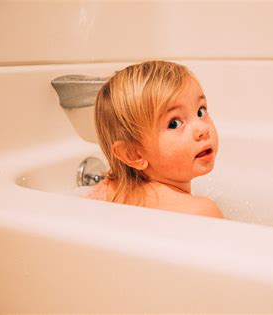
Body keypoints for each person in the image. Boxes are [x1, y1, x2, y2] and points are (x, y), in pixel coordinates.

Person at [87, 60, 223, 219]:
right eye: (174, 123)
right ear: (133, 154)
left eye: (201, 111)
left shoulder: (105, 191)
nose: (202, 129)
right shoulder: (201, 212)